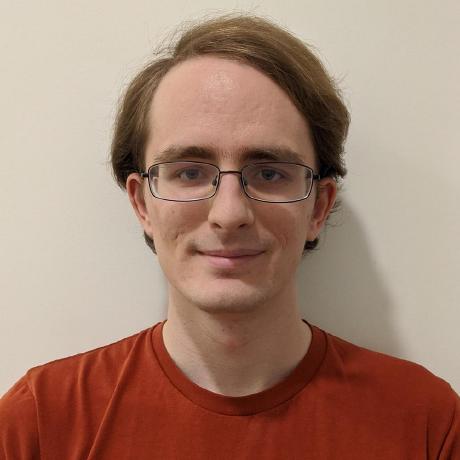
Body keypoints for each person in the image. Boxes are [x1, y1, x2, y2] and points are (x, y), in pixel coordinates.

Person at [1, 14, 459, 459]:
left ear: (318, 208)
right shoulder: (39, 424)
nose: (229, 214)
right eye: (189, 172)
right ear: (142, 204)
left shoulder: (428, 424)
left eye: (270, 173)